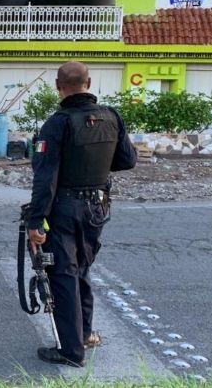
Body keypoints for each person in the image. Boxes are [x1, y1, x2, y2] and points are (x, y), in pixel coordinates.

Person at [27, 61, 137, 368]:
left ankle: (71, 351)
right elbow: (127, 160)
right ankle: (85, 333)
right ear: (89, 82)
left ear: (58, 86)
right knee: (82, 268)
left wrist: (36, 221)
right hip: (97, 208)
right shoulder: (112, 117)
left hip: (64, 207)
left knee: (62, 273)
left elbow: (45, 176)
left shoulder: (57, 123)